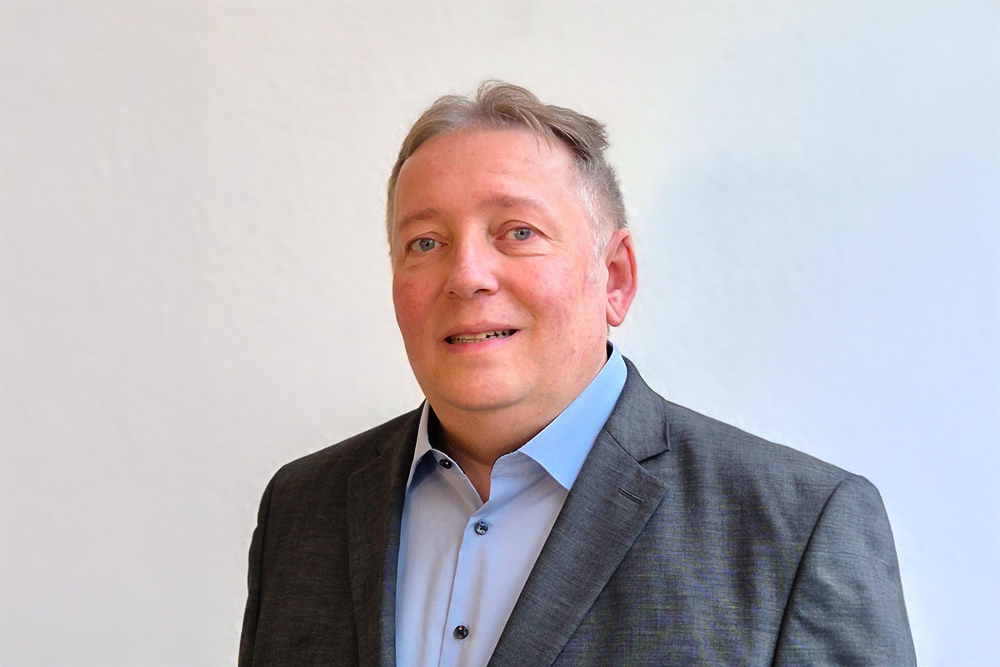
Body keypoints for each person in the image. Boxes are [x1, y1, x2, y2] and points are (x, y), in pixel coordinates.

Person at [239, 81, 915, 666]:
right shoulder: (302, 509)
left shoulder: (796, 529)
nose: (467, 275)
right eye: (426, 242)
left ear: (614, 278)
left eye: (517, 232)